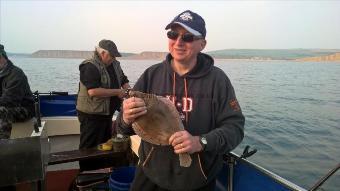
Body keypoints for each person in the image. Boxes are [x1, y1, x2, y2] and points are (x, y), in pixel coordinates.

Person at [116, 10, 245, 191]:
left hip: (197, 179)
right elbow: (124, 128)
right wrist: (126, 117)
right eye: (173, 34)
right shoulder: (151, 75)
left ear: (202, 44)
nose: (178, 42)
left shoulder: (218, 80)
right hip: (150, 173)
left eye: (188, 37)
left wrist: (201, 142)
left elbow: (235, 129)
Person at [76, 39, 130, 171]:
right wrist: (118, 92)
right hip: (91, 116)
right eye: (111, 55)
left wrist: (129, 92)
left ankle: (101, 174)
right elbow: (93, 91)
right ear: (103, 53)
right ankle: (86, 174)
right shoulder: (89, 66)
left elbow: (124, 80)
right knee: (89, 148)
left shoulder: (114, 64)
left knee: (105, 145)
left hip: (107, 114)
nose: (113, 58)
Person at [0, 44, 35, 139]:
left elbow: (10, 100)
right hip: (8, 105)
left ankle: (3, 144)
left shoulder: (16, 74)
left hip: (25, 108)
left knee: (2, 111)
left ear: (3, 57)